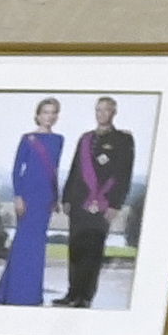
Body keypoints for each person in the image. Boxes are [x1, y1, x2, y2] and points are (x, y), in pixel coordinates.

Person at [0, 98, 64, 307]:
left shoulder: (59, 140)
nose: (50, 116)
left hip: (46, 198)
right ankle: (16, 292)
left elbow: (54, 171)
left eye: (53, 112)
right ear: (38, 115)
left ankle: (31, 294)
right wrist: (18, 196)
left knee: (38, 245)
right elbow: (17, 169)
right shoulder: (28, 139)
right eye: (46, 112)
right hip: (28, 195)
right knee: (23, 244)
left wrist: (56, 198)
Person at [61, 95, 134, 309]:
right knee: (75, 249)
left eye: (106, 110)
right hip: (79, 202)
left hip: (103, 202)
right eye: (99, 110)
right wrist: (66, 198)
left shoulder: (123, 139)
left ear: (114, 112)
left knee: (93, 251)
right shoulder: (85, 139)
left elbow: (124, 174)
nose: (102, 114)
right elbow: (75, 169)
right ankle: (71, 293)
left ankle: (85, 297)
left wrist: (115, 204)